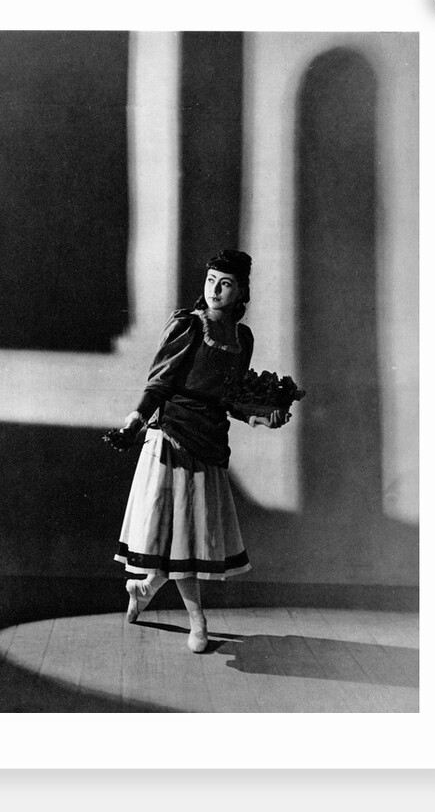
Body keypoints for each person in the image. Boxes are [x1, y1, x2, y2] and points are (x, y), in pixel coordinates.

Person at [108, 250, 288, 653]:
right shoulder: (188, 325)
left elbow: (231, 396)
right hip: (173, 438)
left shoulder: (242, 339)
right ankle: (198, 623)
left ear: (241, 291)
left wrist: (261, 417)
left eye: (225, 284)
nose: (215, 290)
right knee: (183, 541)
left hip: (209, 442)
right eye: (210, 281)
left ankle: (144, 588)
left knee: (182, 539)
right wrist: (135, 421)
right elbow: (159, 382)